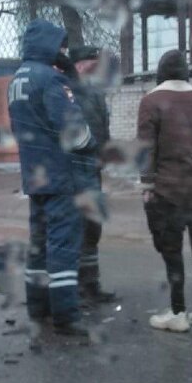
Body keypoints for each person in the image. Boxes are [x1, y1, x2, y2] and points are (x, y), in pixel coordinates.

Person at [7, 19, 96, 337]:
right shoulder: (51, 81)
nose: (63, 51)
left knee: (39, 245)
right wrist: (90, 143)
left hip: (34, 176)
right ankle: (66, 315)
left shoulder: (17, 80)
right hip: (60, 176)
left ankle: (37, 306)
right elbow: (75, 132)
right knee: (62, 246)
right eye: (60, 46)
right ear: (49, 46)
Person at [136, 49, 192, 333]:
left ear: (160, 73)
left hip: (167, 191)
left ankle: (178, 311)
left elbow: (146, 148)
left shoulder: (151, 101)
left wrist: (147, 184)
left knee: (172, 252)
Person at [67, 45, 117, 306]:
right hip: (75, 173)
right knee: (77, 229)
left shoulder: (95, 90)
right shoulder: (68, 91)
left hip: (92, 170)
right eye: (91, 61)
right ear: (78, 64)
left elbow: (102, 127)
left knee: (93, 228)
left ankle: (91, 284)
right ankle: (73, 288)